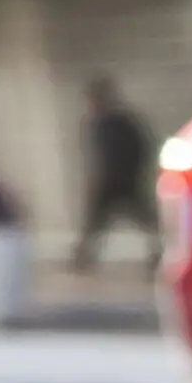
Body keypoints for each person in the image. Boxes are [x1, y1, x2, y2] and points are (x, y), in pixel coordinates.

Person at [72, 73, 160, 271]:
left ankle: (160, 254)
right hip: (106, 183)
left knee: (146, 220)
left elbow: (142, 147)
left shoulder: (123, 122)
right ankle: (83, 259)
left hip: (124, 181)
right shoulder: (96, 123)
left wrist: (133, 171)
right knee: (94, 224)